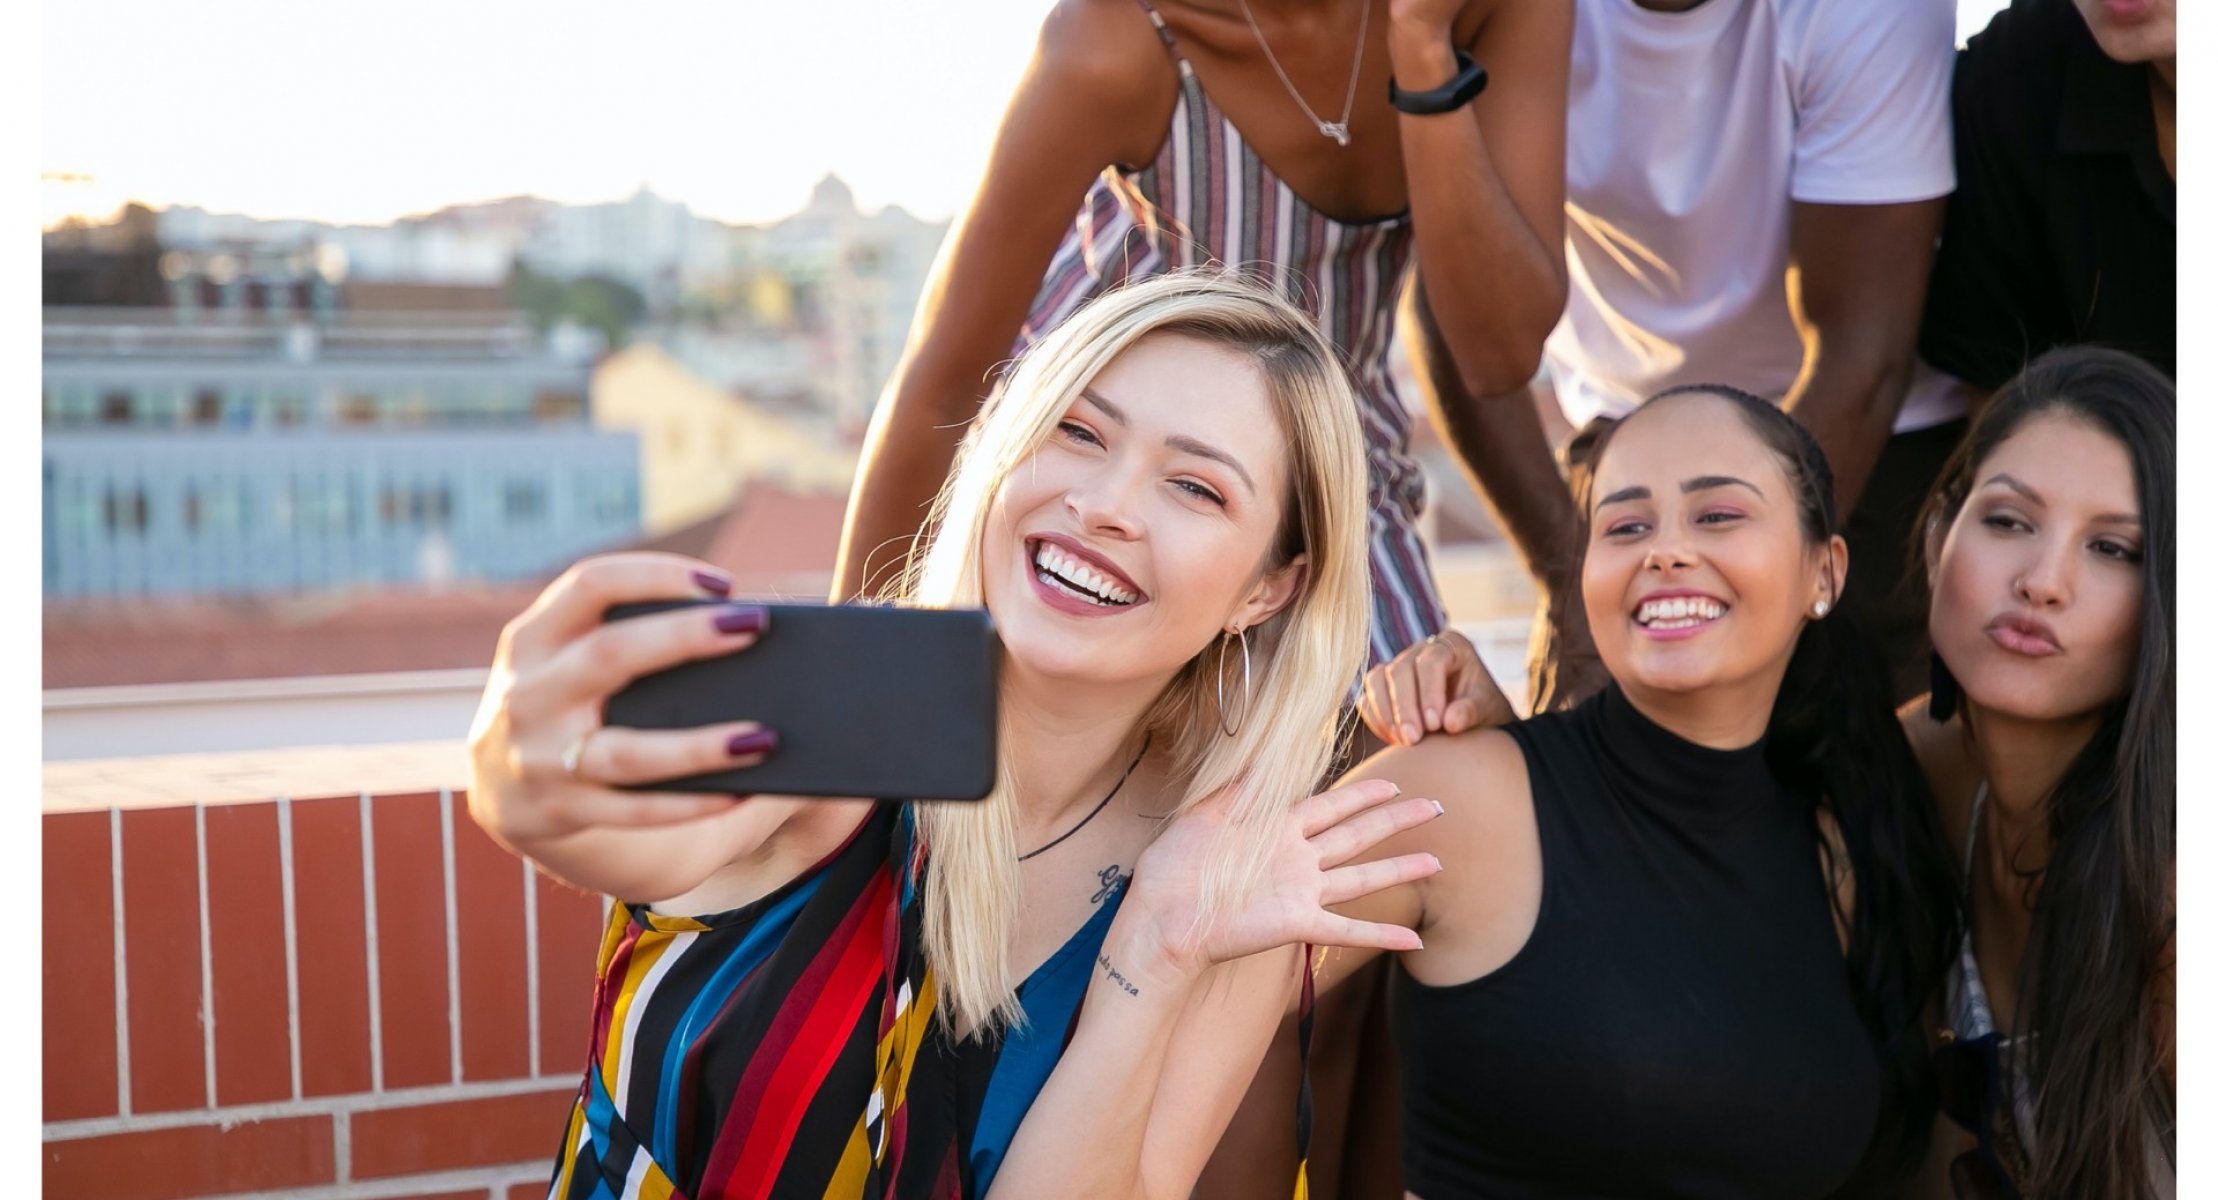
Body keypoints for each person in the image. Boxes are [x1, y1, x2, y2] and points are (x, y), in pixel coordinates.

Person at [466, 272, 1442, 1199]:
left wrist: (1155, 952)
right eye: (1076, 432)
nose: (1103, 506)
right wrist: (528, 773)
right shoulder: (851, 710)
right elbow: (606, 824)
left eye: (1195, 488)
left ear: (1268, 589)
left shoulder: (1229, 859)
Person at [1310, 385, 1958, 1195]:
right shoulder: (1455, 791)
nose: (1666, 551)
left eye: (1717, 516)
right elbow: (1191, 978)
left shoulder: (1848, 846)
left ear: (1822, 573)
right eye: (1625, 526)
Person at [833, 0, 1571, 670]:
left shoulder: (1489, 12)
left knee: (1403, 772)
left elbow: (1497, 353)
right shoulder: (1117, 39)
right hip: (1098, 456)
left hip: (1335, 466)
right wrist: (838, 681)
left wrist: (1423, 52)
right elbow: (947, 379)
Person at [1416, 0, 1958, 712]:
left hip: (1854, 449)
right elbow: (1459, 317)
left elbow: (1862, 357)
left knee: (1866, 797)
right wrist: (1570, 581)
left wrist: (1755, 578)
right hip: (1623, 444)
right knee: (1595, 788)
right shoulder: (1507, 11)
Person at [1902, 346, 2174, 1198]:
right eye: (2010, 521)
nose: (2042, 583)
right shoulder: (1925, 764)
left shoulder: (2173, 884)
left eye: (2113, 549)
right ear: (1942, 532)